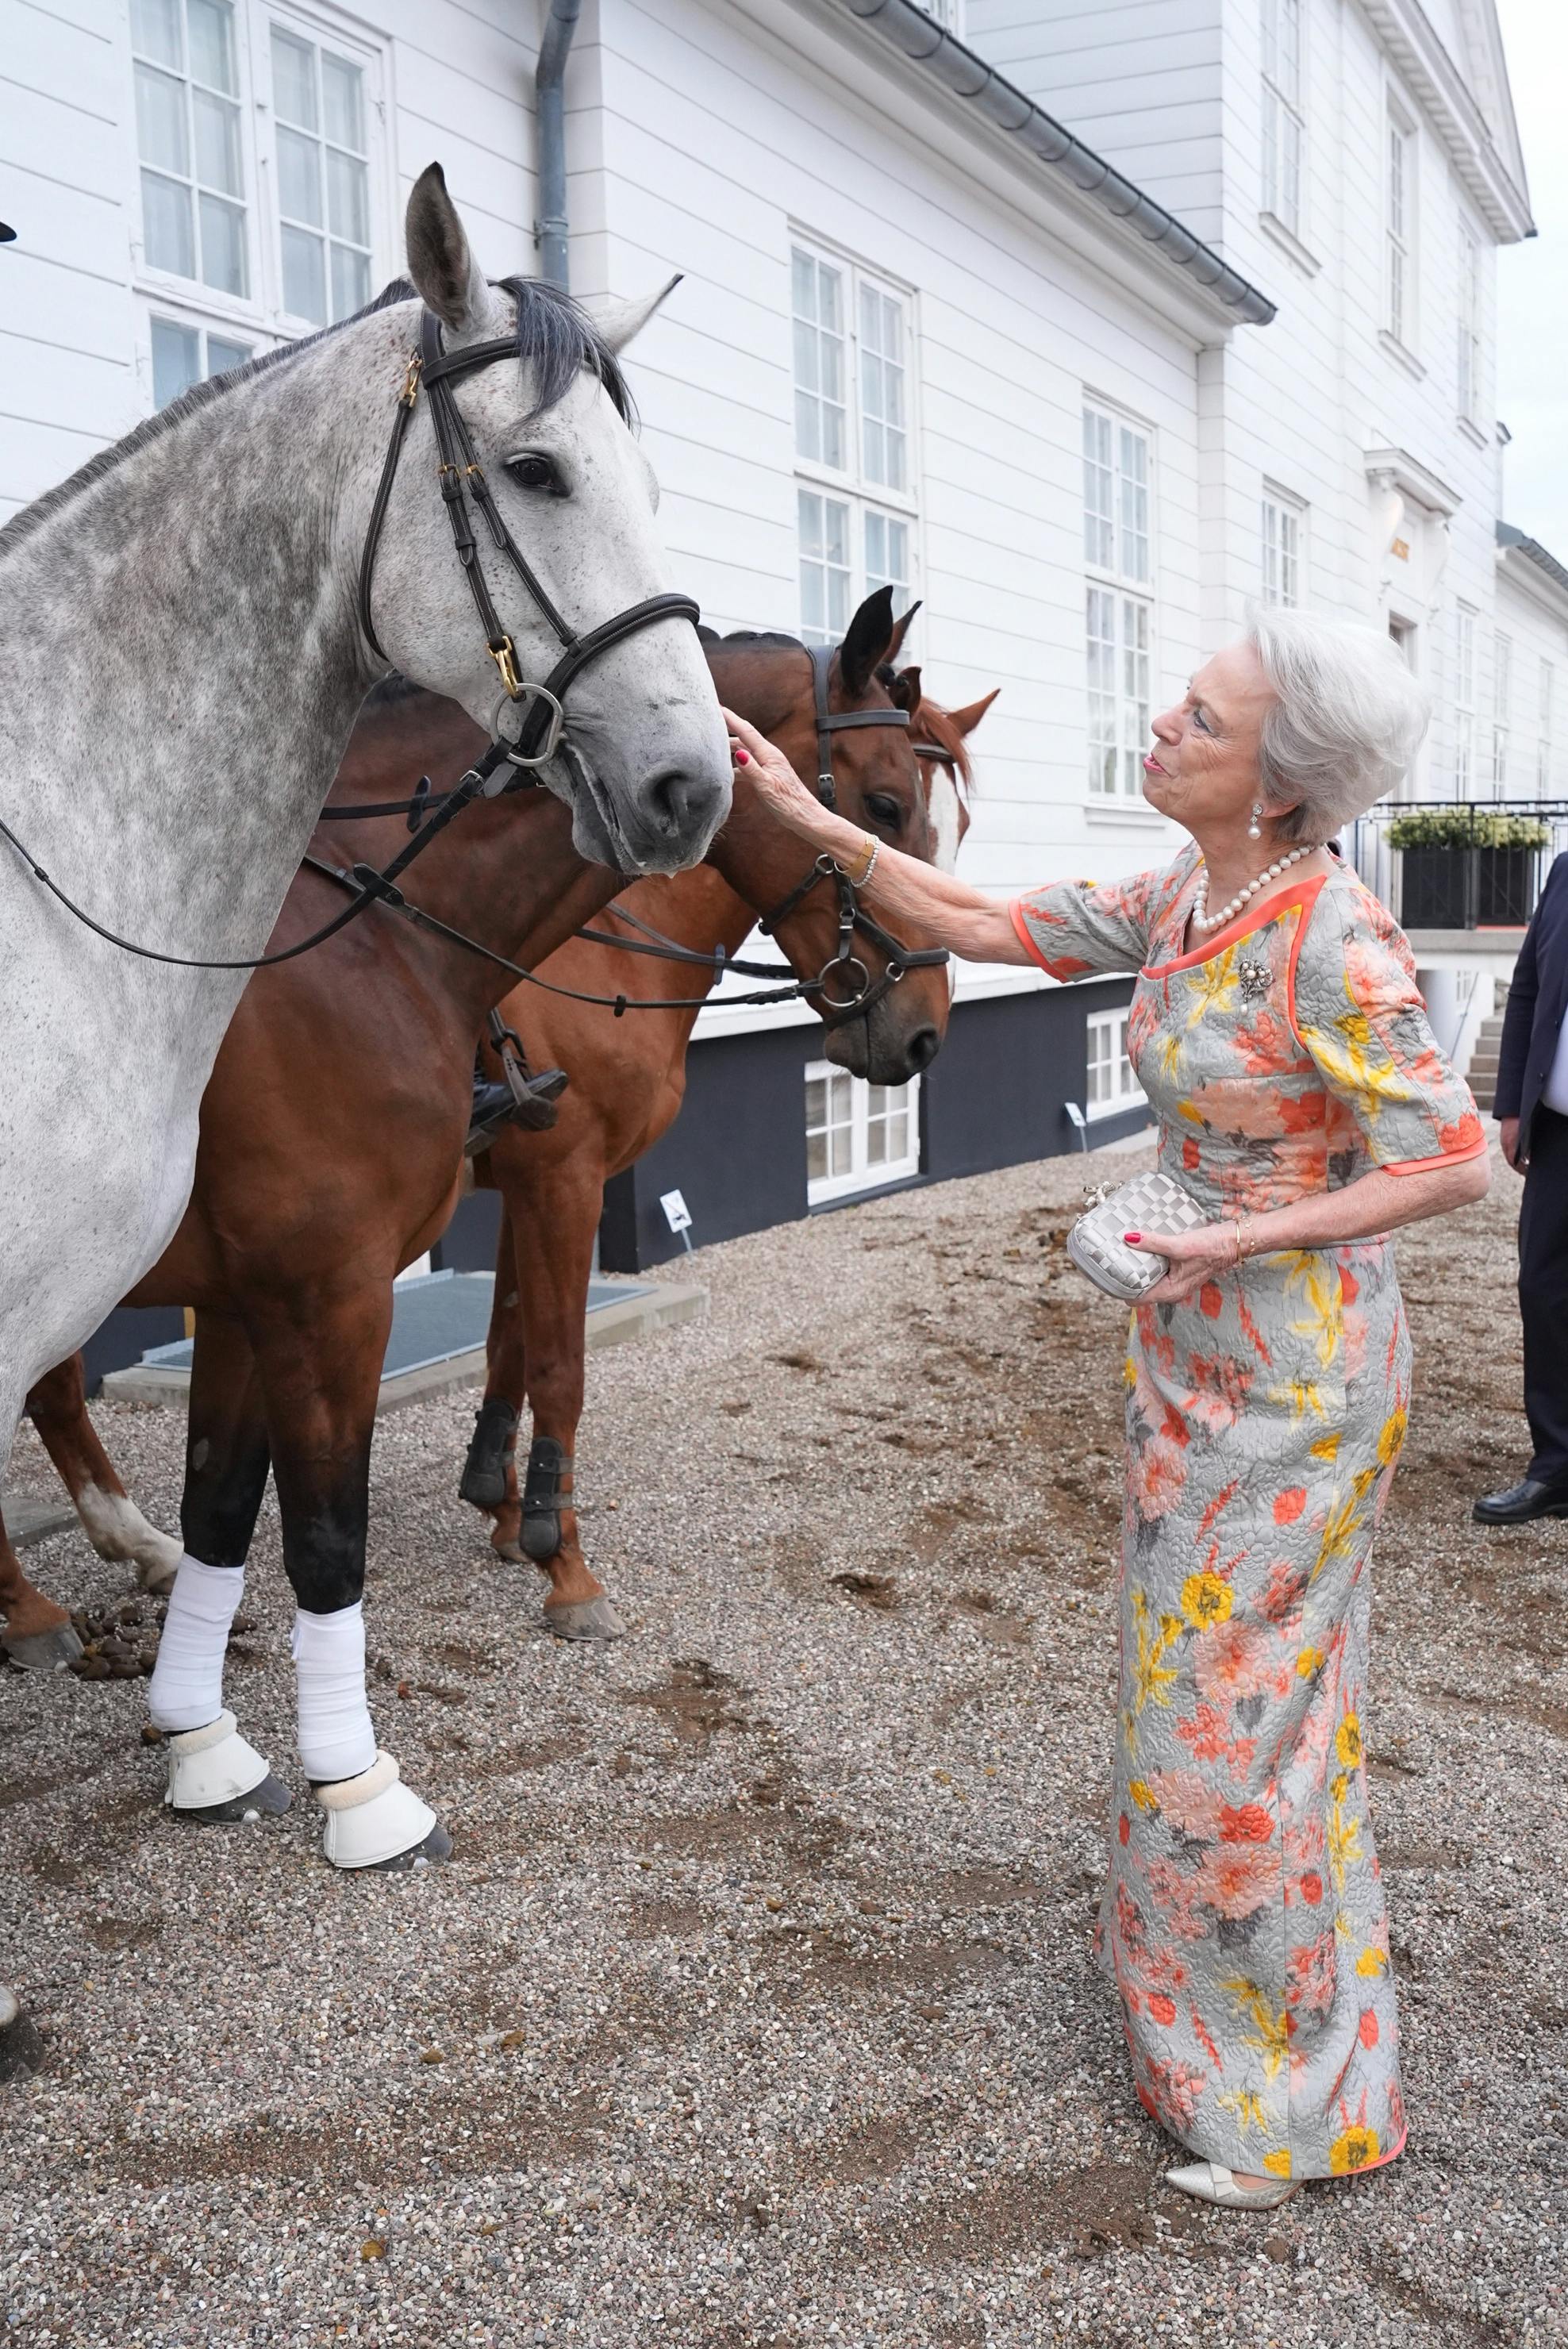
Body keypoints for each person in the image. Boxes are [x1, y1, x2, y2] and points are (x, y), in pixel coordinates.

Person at [724, 609, 1489, 2211]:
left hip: (1296, 1375)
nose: (1159, 727)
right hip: (1191, 1345)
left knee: (1226, 1727)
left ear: (1277, 785)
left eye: (1197, 721)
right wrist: (793, 815)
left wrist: (1230, 1231)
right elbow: (975, 916)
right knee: (1236, 1716)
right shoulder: (1189, 897)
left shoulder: (1330, 936)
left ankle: (1275, 2117)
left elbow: (1452, 1159)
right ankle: (1286, 2062)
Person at [1474, 849, 1568, 1524]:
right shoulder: (1565, 870)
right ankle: (1555, 1467)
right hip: (1558, 1132)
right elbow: (1530, 984)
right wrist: (1511, 1105)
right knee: (1544, 1290)